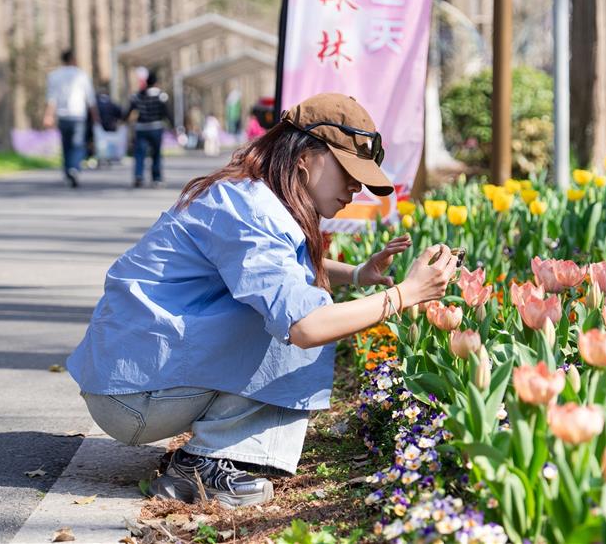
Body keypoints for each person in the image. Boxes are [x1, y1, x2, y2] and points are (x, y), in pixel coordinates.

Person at [65, 93, 456, 508]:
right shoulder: (252, 211)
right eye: (347, 171)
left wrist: (358, 275)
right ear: (306, 155)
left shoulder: (251, 197)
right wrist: (405, 294)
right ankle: (205, 462)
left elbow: (275, 270)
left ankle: (214, 456)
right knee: (302, 322)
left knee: (300, 304)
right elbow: (305, 326)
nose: (355, 188)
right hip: (134, 397)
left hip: (132, 380)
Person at [43, 50, 101, 188]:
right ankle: (74, 169)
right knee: (78, 144)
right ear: (73, 59)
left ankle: (68, 171)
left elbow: (51, 98)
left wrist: (48, 115)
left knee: (66, 145)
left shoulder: (54, 76)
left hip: (62, 115)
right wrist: (95, 117)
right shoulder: (82, 75)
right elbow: (90, 99)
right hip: (78, 115)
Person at [125, 71, 173, 188]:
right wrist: (173, 125)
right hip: (156, 128)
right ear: (156, 83)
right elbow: (167, 113)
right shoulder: (161, 96)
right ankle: (156, 178)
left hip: (141, 128)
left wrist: (123, 120)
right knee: (156, 153)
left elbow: (129, 110)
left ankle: (138, 176)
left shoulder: (138, 96)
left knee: (139, 153)